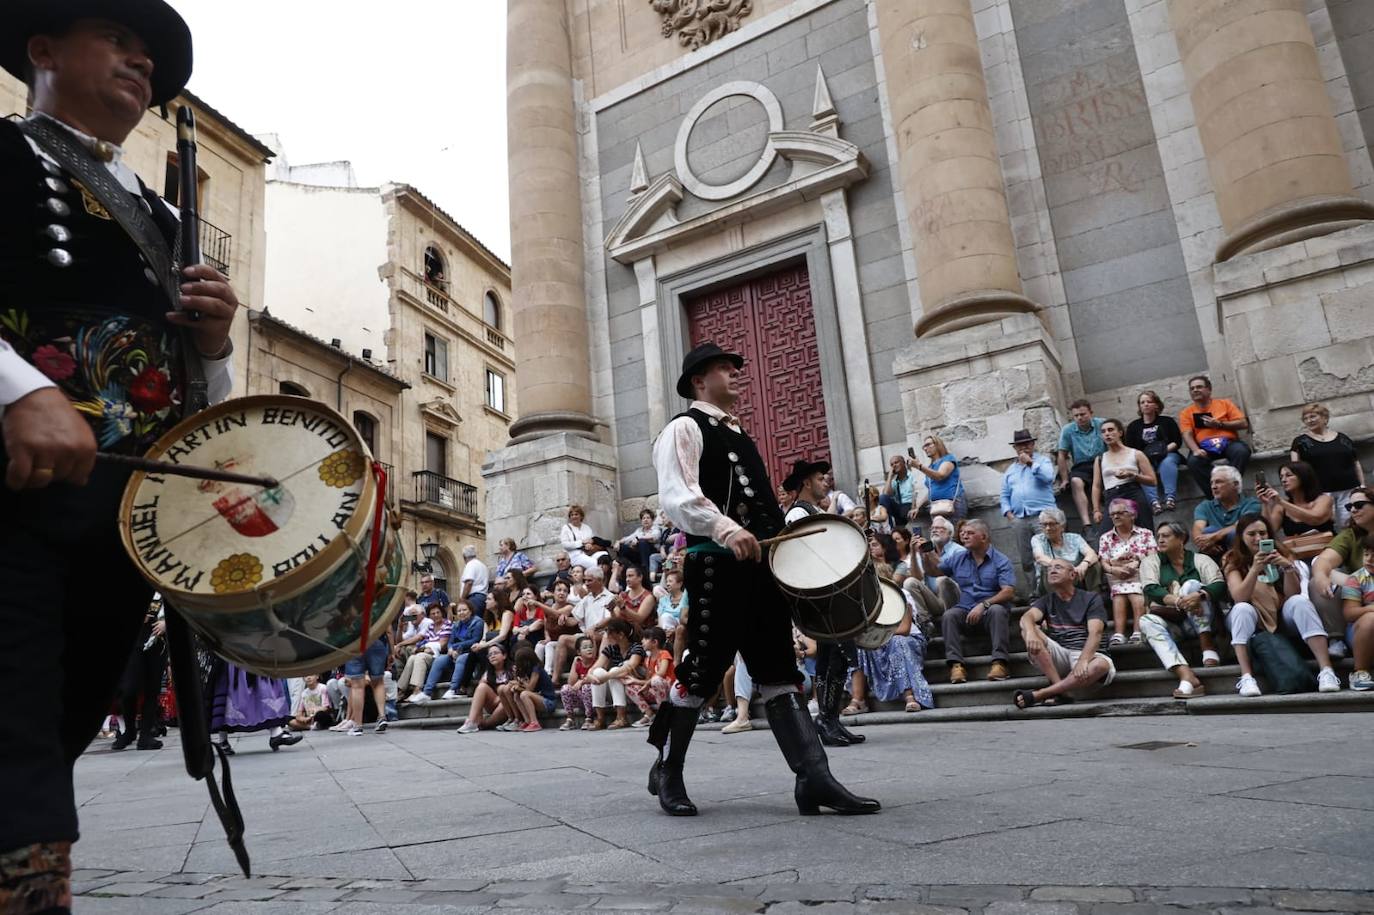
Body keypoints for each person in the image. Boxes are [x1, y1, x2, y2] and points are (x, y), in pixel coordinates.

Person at [0, 2, 245, 900]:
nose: (141, 62)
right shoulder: (5, 155)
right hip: (14, 493)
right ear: (43, 50)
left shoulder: (158, 212)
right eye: (118, 40)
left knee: (59, 725)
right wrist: (20, 389)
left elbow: (197, 387)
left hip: (125, 522)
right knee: (16, 740)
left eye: (150, 55)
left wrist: (214, 342)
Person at [647, 342, 880, 818]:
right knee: (702, 671)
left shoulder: (741, 435)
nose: (736, 373)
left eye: (736, 367)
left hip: (761, 569)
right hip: (716, 564)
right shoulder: (685, 428)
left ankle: (814, 778)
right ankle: (669, 770)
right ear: (698, 380)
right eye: (724, 368)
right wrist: (726, 528)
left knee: (778, 670)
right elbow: (677, 495)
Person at [782, 456, 865, 746]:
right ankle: (826, 722)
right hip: (818, 596)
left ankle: (830, 719)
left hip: (830, 593)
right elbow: (803, 556)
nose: (825, 481)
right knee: (831, 657)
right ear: (806, 482)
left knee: (838, 657)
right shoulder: (796, 515)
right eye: (819, 478)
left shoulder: (814, 511)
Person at [1223, 514, 1341, 697]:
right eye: (1251, 534)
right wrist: (1254, 569)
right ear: (1241, 537)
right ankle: (1246, 677)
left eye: (1263, 533)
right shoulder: (1233, 559)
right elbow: (1239, 597)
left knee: (1300, 602)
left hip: (1280, 613)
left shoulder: (1282, 553)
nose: (1258, 538)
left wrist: (1287, 568)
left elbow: (1292, 595)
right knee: (1241, 609)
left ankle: (1327, 671)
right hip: (1250, 615)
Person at [912, 519, 1015, 684]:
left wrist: (984, 604)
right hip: (966, 610)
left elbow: (1008, 592)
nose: (964, 536)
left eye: (970, 533)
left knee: (997, 611)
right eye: (962, 533)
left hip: (990, 612)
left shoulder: (1001, 560)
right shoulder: (960, 558)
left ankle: (1000, 663)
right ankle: (956, 666)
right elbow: (935, 571)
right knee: (949, 615)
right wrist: (925, 555)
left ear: (983, 537)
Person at [1014, 560, 1115, 709]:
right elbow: (1026, 618)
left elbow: (1096, 632)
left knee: (1101, 665)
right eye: (1049, 569)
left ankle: (1041, 694)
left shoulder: (1091, 598)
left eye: (1058, 567)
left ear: (1072, 574)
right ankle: (1061, 691)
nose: (1052, 570)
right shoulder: (1047, 600)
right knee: (1028, 629)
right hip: (1060, 653)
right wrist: (1030, 633)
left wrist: (1083, 660)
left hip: (1089, 653)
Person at [1140, 521, 1225, 668]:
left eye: (1166, 536)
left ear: (1181, 538)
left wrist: (1200, 595)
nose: (1160, 540)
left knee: (1191, 585)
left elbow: (1219, 584)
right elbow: (1150, 588)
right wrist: (1179, 601)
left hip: (1205, 619)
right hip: (1172, 623)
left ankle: (1207, 644)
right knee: (1146, 621)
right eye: (1158, 536)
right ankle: (1181, 669)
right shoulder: (1150, 561)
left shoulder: (1201, 560)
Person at [1310, 486, 1373, 659]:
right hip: (1363, 601)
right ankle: (1336, 638)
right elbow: (1324, 560)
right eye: (1349, 507)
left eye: (1359, 505)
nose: (1353, 510)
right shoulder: (1350, 535)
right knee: (1320, 577)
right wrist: (1321, 577)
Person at [849, 591, 934, 714]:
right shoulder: (866, 599)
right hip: (880, 641)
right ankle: (858, 700)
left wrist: (878, 636)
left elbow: (905, 629)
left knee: (896, 642)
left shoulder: (901, 594)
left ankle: (910, 696)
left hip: (907, 639)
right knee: (861, 646)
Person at [1291, 402, 1366, 529]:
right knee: (1328, 526)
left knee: (1352, 525)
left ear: (1325, 417)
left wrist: (1362, 486)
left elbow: (1355, 463)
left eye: (1313, 416)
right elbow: (1295, 469)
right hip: (1321, 493)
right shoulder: (1300, 442)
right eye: (1306, 418)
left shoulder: (1343, 439)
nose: (1309, 420)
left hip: (1348, 489)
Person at [1000, 429, 1058, 590]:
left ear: (1033, 444)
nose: (1023, 448)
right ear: (1015, 448)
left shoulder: (1043, 461)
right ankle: (1035, 593)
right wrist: (1008, 513)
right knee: (1026, 559)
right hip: (1020, 518)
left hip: (1043, 517)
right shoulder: (1010, 470)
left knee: (1047, 554)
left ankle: (1053, 590)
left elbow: (1048, 477)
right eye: (1019, 445)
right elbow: (1004, 494)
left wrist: (1031, 463)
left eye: (1026, 444)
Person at [1098, 498, 1157, 646]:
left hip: (1140, 575)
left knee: (1136, 593)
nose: (1116, 516)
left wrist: (1136, 562)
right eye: (1113, 514)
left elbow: (1154, 555)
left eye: (1121, 513)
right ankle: (1119, 634)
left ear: (1133, 515)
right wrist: (1113, 569)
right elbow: (1103, 561)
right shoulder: (1106, 538)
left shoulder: (1146, 534)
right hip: (1117, 578)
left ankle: (1138, 631)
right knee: (1118, 595)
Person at [111, 598, 167, 751]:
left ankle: (146, 735)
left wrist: (166, 623)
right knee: (129, 688)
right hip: (135, 637)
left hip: (158, 639)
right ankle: (129, 730)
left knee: (152, 688)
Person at [1180, 375, 1251, 493]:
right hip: (1204, 447)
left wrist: (1220, 424)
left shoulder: (1225, 404)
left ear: (1209, 389)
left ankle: (1231, 488)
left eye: (1199, 387)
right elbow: (1187, 434)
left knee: (1241, 451)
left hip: (1228, 443)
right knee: (1193, 462)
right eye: (1192, 388)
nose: (1195, 390)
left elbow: (1243, 423)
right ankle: (1215, 495)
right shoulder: (1186, 413)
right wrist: (1195, 450)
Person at [1092, 417, 1157, 536]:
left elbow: (1152, 480)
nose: (1107, 434)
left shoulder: (1136, 454)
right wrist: (1096, 509)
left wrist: (1133, 475)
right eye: (1103, 431)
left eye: (1111, 430)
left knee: (1144, 534)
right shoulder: (1100, 458)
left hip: (1133, 493)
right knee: (1106, 536)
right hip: (1112, 496)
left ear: (1120, 433)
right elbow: (1096, 486)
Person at [1126, 390, 1184, 514]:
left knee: (1168, 462)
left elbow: (1177, 441)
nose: (1145, 404)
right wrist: (1145, 457)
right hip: (1145, 458)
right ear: (1139, 407)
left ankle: (1170, 498)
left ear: (1156, 405)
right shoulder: (1133, 427)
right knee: (1143, 468)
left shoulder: (1167, 421)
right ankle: (1154, 503)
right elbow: (1131, 449)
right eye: (1142, 402)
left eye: (1149, 401)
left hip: (1168, 454)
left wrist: (1162, 452)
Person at [413, 602, 483, 703]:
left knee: (461, 659)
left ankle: (453, 689)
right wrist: (450, 649)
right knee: (440, 660)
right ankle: (427, 692)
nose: (461, 613)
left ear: (470, 611)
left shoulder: (477, 622)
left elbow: (475, 640)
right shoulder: (457, 624)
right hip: (455, 652)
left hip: (470, 652)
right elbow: (450, 641)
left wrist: (455, 647)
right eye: (459, 611)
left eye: (464, 610)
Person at [1056, 400, 1106, 536]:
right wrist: (1065, 479)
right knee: (1075, 482)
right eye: (1076, 415)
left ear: (1091, 413)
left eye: (1083, 414)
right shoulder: (1068, 430)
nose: (1080, 418)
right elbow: (1062, 454)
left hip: (1102, 461)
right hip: (1081, 465)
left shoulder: (1102, 424)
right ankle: (1087, 525)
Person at [1192, 464, 1261, 558]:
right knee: (1208, 531)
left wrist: (1215, 536)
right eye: (1212, 483)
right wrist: (1205, 544)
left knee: (1234, 533)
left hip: (1242, 553)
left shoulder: (1252, 504)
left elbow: (1243, 525)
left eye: (1218, 482)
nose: (1213, 486)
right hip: (1214, 552)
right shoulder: (1205, 506)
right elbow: (1198, 528)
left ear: (1235, 484)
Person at [1258, 461, 1334, 542]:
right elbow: (1269, 530)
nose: (1283, 480)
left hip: (1326, 549)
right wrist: (1265, 503)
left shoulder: (1323, 499)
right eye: (1281, 477)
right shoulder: (1281, 507)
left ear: (1303, 477)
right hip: (1297, 551)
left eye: (1288, 475)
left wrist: (1281, 501)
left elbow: (1315, 518)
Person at [588, 619, 644, 730]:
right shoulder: (611, 649)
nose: (607, 637)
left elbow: (629, 667)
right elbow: (595, 667)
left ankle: (621, 717)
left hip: (632, 689)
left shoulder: (636, 648)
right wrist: (590, 675)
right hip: (615, 689)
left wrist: (608, 676)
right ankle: (600, 718)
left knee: (615, 671)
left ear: (621, 635)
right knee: (598, 672)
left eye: (610, 633)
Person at [1030, 507, 1100, 596]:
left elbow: (1092, 554)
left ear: (1062, 526)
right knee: (1048, 568)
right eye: (1044, 525)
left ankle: (1093, 597)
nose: (1047, 528)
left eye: (1051, 524)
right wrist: (1065, 568)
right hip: (1050, 581)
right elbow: (1039, 557)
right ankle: (1054, 601)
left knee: (1094, 564)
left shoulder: (1074, 538)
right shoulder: (1038, 539)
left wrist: (1084, 564)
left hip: (1074, 576)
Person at [1341, 534, 1374, 691]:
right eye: (1366, 554)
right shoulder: (1357, 578)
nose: (1369, 559)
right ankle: (1359, 672)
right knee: (1370, 619)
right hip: (1360, 632)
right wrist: (1371, 608)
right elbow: (1349, 613)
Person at [456, 645, 514, 733]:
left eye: (496, 653)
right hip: (494, 702)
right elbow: (479, 696)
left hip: (508, 705)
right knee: (481, 687)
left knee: (504, 700)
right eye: (490, 655)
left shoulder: (513, 670)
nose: (492, 656)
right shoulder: (488, 673)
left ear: (504, 655)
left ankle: (485, 724)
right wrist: (479, 716)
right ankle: (471, 721)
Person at [398, 604, 449, 701]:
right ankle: (401, 690)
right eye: (433, 613)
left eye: (438, 612)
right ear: (430, 616)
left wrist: (426, 647)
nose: (436, 615)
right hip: (427, 653)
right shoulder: (431, 626)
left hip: (437, 656)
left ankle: (417, 690)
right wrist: (420, 647)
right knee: (413, 657)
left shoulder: (447, 624)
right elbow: (424, 641)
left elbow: (442, 645)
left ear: (442, 613)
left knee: (420, 656)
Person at [500, 646, 557, 733]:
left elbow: (530, 689)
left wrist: (520, 682)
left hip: (548, 701)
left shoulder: (536, 669)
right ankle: (527, 721)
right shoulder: (527, 670)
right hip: (538, 697)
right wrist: (516, 680)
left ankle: (534, 722)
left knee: (524, 694)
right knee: (516, 694)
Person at [627, 626, 675, 728]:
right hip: (655, 690)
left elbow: (661, 673)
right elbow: (648, 679)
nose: (642, 641)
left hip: (669, 690)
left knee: (656, 680)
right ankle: (649, 714)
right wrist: (636, 680)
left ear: (654, 642)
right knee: (630, 686)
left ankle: (664, 714)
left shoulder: (664, 654)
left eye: (645, 638)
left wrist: (646, 683)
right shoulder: (647, 659)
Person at [914, 435, 964, 520]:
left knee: (954, 530)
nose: (925, 448)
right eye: (924, 447)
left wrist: (919, 466)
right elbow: (931, 490)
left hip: (952, 503)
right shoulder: (929, 467)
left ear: (937, 445)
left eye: (928, 445)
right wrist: (918, 507)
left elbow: (940, 475)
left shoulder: (948, 459)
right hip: (936, 506)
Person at [558, 636, 599, 730]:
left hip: (595, 698)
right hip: (582, 698)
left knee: (586, 687)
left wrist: (581, 681)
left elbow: (595, 679)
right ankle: (570, 719)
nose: (589, 649)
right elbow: (571, 683)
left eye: (591, 647)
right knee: (565, 688)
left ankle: (589, 718)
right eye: (585, 648)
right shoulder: (578, 663)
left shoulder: (597, 662)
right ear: (579, 652)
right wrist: (574, 663)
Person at [880, 453, 924, 528]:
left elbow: (917, 491)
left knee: (903, 511)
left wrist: (915, 506)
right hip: (900, 507)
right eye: (892, 464)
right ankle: (890, 528)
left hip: (911, 504)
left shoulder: (912, 476)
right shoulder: (894, 481)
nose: (894, 465)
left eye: (896, 462)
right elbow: (886, 495)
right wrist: (890, 477)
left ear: (904, 463)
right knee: (882, 498)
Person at [560, 504, 607, 571]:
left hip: (588, 552)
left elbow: (591, 539)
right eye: (572, 515)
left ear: (581, 516)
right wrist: (581, 543)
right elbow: (565, 545)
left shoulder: (586, 527)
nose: (574, 517)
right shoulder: (566, 528)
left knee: (604, 556)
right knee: (595, 563)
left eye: (576, 514)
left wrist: (590, 545)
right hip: (575, 555)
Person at [458, 545, 489, 619]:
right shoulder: (482, 565)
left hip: (473, 598)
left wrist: (462, 600)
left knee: (473, 622)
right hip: (482, 597)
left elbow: (469, 582)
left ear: (464, 556)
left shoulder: (470, 564)